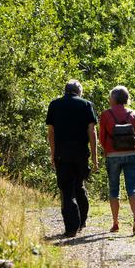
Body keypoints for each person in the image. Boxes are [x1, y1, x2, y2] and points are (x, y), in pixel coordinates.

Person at [45, 80, 99, 237]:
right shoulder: (86, 105)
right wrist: (94, 158)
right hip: (81, 153)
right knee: (79, 186)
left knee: (67, 191)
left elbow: (51, 132)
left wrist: (53, 154)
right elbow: (92, 132)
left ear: (65, 91)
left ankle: (71, 228)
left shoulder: (54, 105)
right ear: (79, 91)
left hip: (62, 154)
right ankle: (81, 222)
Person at [99, 85, 135, 235]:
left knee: (114, 189)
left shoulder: (106, 115)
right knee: (132, 188)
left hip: (113, 155)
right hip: (132, 154)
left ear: (113, 99)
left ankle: (115, 223)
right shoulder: (134, 114)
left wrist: (109, 150)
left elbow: (102, 138)